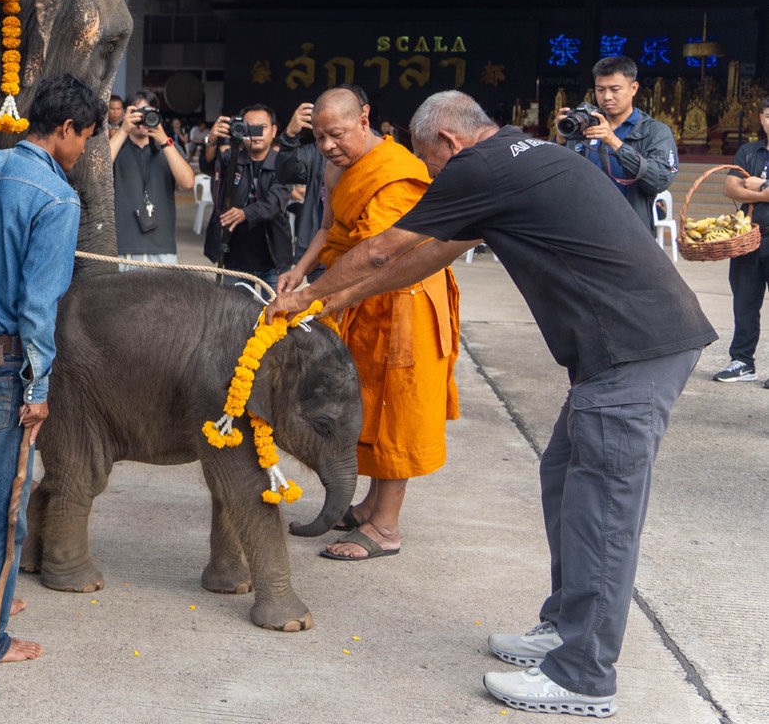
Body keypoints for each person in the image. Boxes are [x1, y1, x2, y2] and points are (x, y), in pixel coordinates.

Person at [268, 90, 715, 718]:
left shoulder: (479, 167)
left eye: (430, 165)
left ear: (447, 143)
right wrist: (335, 301)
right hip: (620, 351)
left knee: (602, 511)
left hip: (635, 350)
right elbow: (426, 258)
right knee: (564, 479)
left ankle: (585, 677)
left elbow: (379, 247)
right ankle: (563, 627)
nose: (431, 178)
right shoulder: (514, 159)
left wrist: (303, 295)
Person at [0, 74, 105, 668]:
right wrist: (38, 388)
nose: (83, 148)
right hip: (4, 365)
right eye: (83, 136)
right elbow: (39, 306)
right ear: (64, 130)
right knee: (0, 507)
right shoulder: (57, 200)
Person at [275, 88, 459, 562]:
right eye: (320, 137)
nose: (329, 145)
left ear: (364, 119)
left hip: (404, 300)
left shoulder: (398, 171)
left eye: (337, 134)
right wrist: (302, 268)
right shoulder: (338, 168)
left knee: (396, 409)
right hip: (359, 298)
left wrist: (314, 297)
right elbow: (330, 230)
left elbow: (384, 253)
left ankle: (385, 528)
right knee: (366, 406)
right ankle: (368, 507)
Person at [553, 55, 677, 233]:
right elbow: (554, 177)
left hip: (630, 233)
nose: (607, 97)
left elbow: (658, 181)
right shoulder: (582, 127)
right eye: (600, 89)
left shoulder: (655, 132)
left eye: (615, 89)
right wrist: (560, 140)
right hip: (581, 231)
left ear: (633, 88)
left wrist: (613, 141)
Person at [199, 105, 294, 291]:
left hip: (273, 260)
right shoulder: (232, 158)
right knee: (235, 317)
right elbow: (208, 166)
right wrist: (211, 139)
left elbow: (273, 204)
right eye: (250, 128)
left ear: (274, 130)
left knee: (275, 317)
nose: (256, 134)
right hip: (236, 259)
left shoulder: (282, 164)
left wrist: (245, 213)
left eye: (262, 128)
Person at [712, 96, 769, 383]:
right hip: (749, 239)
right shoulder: (749, 151)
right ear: (761, 119)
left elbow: (746, 187)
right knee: (744, 303)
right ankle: (742, 361)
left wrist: (762, 185)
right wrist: (764, 193)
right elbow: (730, 188)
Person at [109, 91, 197, 268]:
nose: (143, 117)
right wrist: (123, 131)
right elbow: (98, 170)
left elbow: (187, 182)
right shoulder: (117, 145)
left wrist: (163, 140)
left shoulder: (168, 147)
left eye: (149, 112)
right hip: (122, 246)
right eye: (138, 112)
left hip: (162, 247)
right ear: (127, 114)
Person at [278, 100, 328, 274]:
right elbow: (286, 173)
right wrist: (290, 136)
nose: (330, 144)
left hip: (356, 258)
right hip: (318, 258)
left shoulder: (376, 154)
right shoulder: (318, 151)